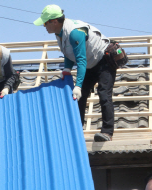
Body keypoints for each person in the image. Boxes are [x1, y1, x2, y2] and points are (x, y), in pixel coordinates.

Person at [34, 5, 116, 142]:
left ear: (54, 21)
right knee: (79, 96)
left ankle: (107, 132)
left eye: (45, 22)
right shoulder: (59, 33)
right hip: (90, 63)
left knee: (103, 93)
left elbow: (81, 60)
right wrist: (67, 69)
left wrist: (77, 85)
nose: (43, 26)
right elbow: (69, 52)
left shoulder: (74, 32)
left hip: (104, 60)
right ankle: (77, 131)